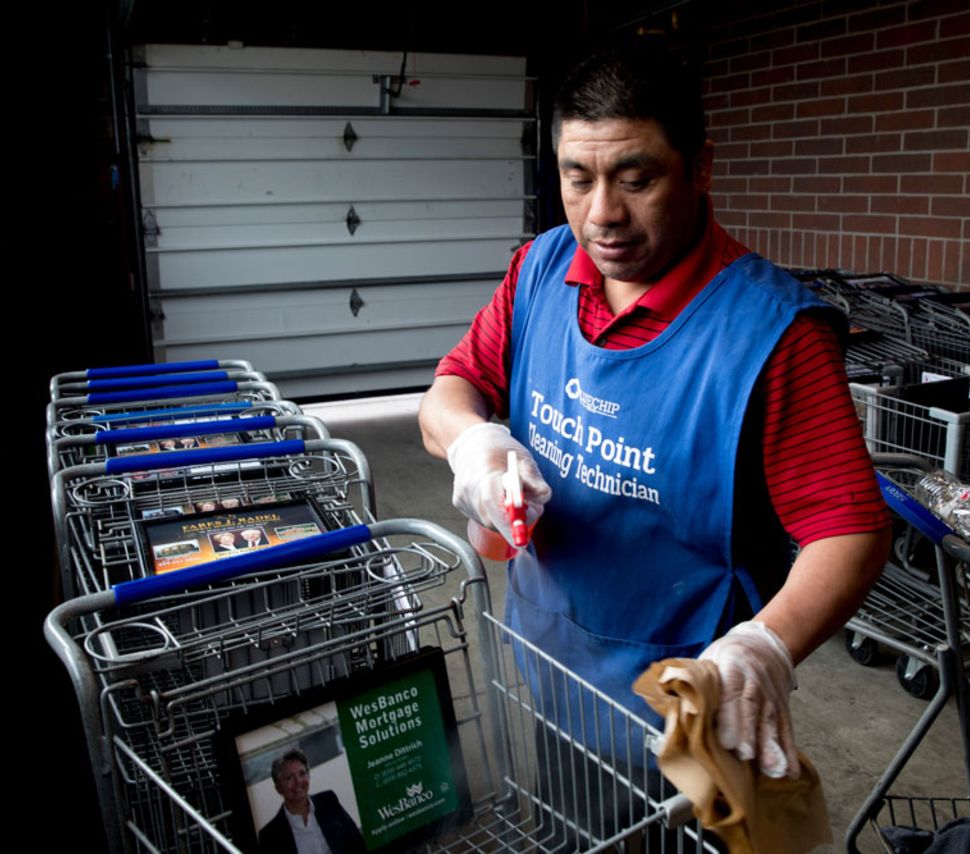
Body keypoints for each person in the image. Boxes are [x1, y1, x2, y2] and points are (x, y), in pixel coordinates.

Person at [419, 44, 890, 781]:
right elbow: (453, 387)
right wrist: (473, 441)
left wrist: (764, 646)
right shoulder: (541, 269)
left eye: (635, 180)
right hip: (557, 663)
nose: (603, 215)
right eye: (578, 181)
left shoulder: (770, 333)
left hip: (691, 705)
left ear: (699, 168)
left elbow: (850, 529)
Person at [257, 748, 364, 854]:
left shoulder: (328, 802)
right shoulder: (269, 836)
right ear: (278, 788)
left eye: (302, 773)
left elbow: (357, 842)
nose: (298, 781)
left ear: (309, 776)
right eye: (289, 778)